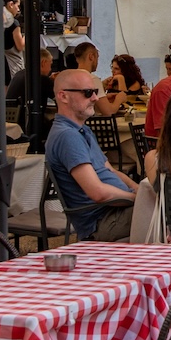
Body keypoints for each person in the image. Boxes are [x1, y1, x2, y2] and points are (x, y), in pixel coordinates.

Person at [46, 67, 137, 240]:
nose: (95, 98)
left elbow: (111, 170)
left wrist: (140, 190)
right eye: (88, 93)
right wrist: (136, 198)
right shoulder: (67, 136)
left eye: (95, 91)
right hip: (102, 221)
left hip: (116, 212)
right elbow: (97, 192)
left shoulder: (82, 130)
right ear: (63, 96)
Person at [69, 40, 117, 114]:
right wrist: (119, 99)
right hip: (88, 123)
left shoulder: (68, 77)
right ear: (91, 57)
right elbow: (108, 112)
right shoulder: (92, 79)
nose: (97, 62)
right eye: (97, 57)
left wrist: (103, 92)